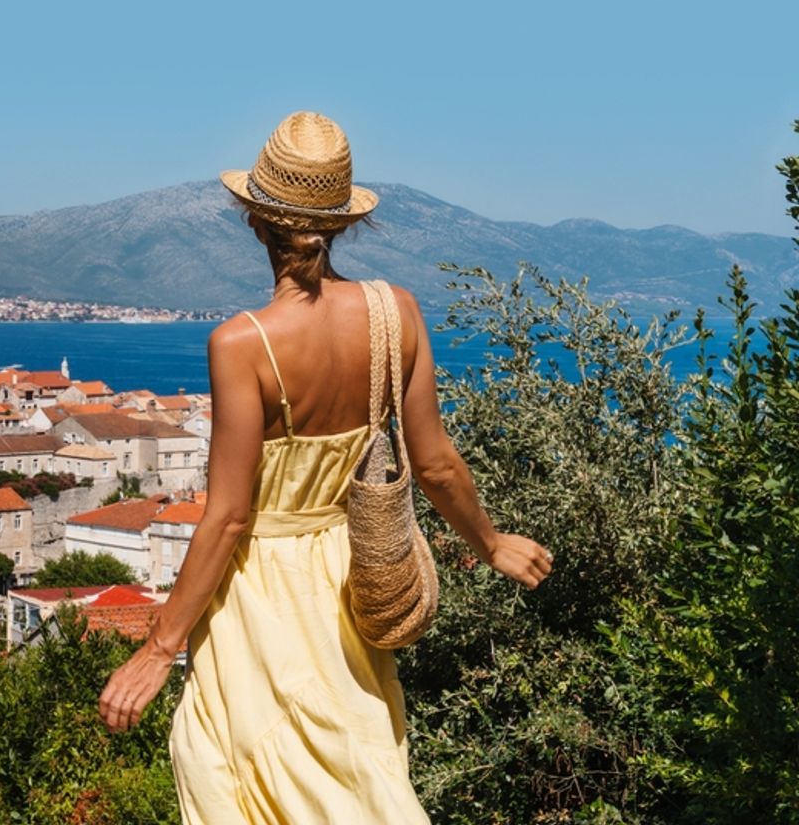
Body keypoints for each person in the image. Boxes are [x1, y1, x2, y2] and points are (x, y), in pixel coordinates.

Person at [97, 112, 554, 823]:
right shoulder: (395, 312)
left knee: (247, 781)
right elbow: (435, 464)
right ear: (342, 224)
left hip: (258, 595)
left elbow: (229, 518)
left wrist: (160, 650)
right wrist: (490, 544)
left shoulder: (241, 344)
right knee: (356, 772)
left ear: (254, 221)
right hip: (351, 580)